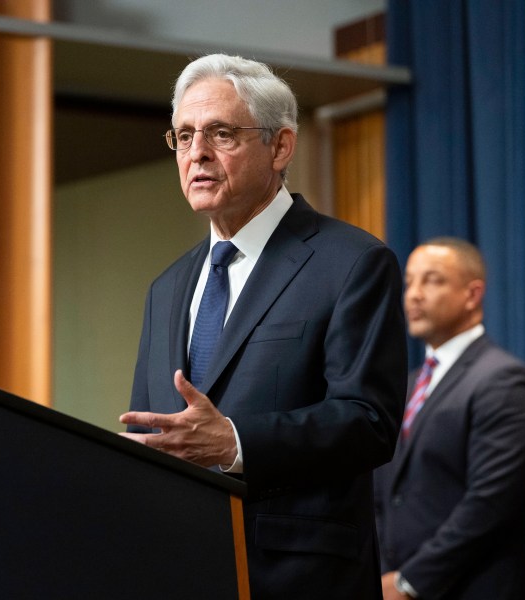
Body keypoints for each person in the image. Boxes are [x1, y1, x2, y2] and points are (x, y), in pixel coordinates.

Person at [119, 53, 408, 598]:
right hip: (178, 568)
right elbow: (153, 435)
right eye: (183, 136)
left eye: (220, 133)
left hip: (297, 577)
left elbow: (369, 420)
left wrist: (234, 441)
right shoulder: (166, 287)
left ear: (280, 147)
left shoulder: (351, 262)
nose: (196, 153)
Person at [374, 238, 525, 599]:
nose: (414, 295)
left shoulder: (505, 380)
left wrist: (409, 582)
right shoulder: (406, 386)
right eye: (409, 281)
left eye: (432, 280)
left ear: (472, 294)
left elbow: (489, 503)